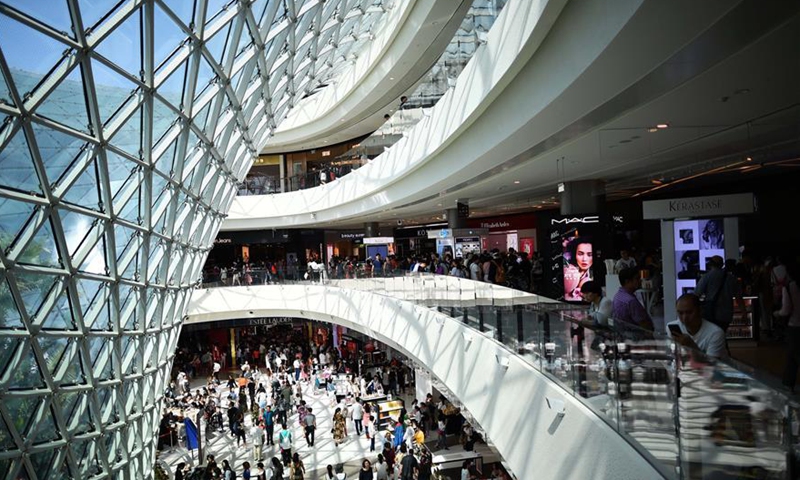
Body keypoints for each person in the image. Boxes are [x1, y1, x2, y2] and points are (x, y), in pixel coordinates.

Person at [666, 294, 727, 358]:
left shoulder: (715, 333)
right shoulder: (672, 327)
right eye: (680, 313)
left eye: (689, 312)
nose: (684, 318)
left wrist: (691, 346)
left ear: (700, 310)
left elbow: (712, 363)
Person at [695, 255, 744, 332]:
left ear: (711, 264)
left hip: (711, 313)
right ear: (722, 264)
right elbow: (739, 297)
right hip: (726, 314)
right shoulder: (731, 278)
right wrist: (744, 312)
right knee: (722, 334)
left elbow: (696, 294)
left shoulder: (706, 277)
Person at [777, 262, 800, 390]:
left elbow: (785, 310)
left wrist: (777, 313)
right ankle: (788, 383)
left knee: (793, 355)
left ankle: (788, 384)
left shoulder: (789, 287)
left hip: (794, 325)